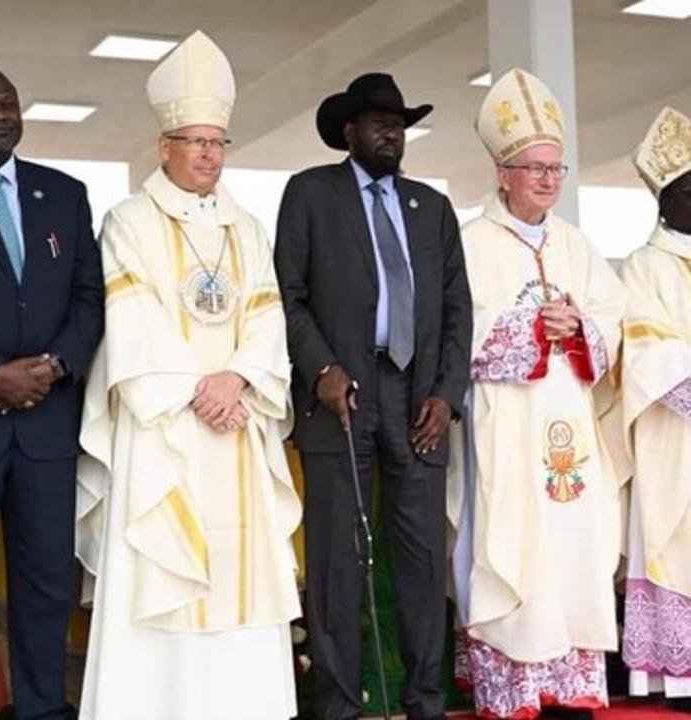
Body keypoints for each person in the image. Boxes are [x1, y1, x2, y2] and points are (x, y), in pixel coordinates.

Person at [75, 31, 302, 720]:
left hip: (236, 423)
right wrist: (195, 390)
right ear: (163, 145)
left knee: (242, 575)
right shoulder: (128, 222)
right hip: (164, 430)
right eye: (194, 141)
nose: (207, 154)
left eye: (217, 142)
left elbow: (268, 316)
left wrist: (238, 380)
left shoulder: (247, 228)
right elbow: (133, 318)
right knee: (162, 563)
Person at [274, 72, 472, 720]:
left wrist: (446, 395)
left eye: (400, 124)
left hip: (418, 399)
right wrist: (322, 367)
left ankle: (425, 702)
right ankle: (337, 705)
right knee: (338, 559)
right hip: (342, 394)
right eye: (380, 123)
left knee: (420, 561)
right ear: (349, 131)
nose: (393, 133)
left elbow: (457, 310)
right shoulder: (310, 194)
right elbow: (288, 295)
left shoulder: (431, 207)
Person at [448, 68, 626, 719]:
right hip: (507, 420)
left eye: (556, 168)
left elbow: (613, 316)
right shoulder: (469, 244)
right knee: (514, 539)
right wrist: (527, 328)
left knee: (572, 541)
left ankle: (570, 678)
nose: (549, 181)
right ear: (503, 173)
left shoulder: (576, 244)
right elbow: (455, 327)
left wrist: (580, 327)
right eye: (535, 169)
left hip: (569, 416)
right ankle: (512, 684)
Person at [0, 66, 104, 719]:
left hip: (47, 431)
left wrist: (52, 366)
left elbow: (90, 297)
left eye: (8, 104)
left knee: (47, 586)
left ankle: (43, 710)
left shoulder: (64, 195)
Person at [619, 106, 691, 709]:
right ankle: (680, 675)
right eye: (689, 189)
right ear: (664, 201)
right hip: (675, 437)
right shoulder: (644, 266)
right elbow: (646, 352)